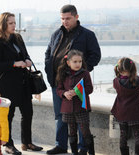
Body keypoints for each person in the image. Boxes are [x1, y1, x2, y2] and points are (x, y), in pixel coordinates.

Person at [45, 4, 101, 154]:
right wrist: (49, 71)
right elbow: (48, 54)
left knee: (81, 119)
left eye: (68, 18)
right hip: (59, 83)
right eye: (62, 18)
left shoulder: (87, 35)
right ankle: (61, 145)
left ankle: (83, 148)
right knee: (61, 116)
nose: (65, 21)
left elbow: (95, 56)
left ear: (76, 17)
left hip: (79, 85)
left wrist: (81, 73)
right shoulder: (56, 34)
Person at [0, 12, 43, 155]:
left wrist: (27, 61)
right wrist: (14, 64)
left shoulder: (17, 38)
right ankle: (8, 144)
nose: (14, 25)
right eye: (11, 23)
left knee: (28, 112)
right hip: (7, 84)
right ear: (3, 24)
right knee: (8, 115)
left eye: (14, 23)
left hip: (23, 82)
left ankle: (27, 142)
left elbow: (25, 54)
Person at [56, 50, 95, 155]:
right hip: (67, 108)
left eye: (80, 61)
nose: (78, 64)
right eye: (75, 62)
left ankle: (91, 152)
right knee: (72, 131)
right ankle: (74, 153)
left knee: (85, 131)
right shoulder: (63, 73)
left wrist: (77, 92)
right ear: (68, 62)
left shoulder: (85, 73)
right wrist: (64, 94)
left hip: (81, 108)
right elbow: (59, 89)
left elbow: (90, 89)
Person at [111, 57, 139, 155]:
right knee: (138, 136)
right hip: (135, 113)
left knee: (123, 136)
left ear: (119, 69)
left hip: (121, 112)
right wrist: (135, 75)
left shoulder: (116, 81)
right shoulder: (136, 81)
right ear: (132, 69)